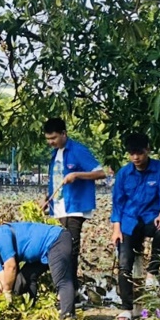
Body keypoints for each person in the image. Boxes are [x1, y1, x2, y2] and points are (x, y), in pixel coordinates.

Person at [110, 133, 160, 320]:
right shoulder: (124, 173)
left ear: (148, 150)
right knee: (124, 263)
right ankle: (126, 308)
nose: (136, 157)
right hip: (129, 222)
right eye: (132, 154)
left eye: (139, 153)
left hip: (150, 218)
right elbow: (117, 203)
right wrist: (116, 229)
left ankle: (152, 272)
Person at [42, 118, 106, 289]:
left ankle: (70, 291)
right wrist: (47, 198)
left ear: (64, 134)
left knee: (69, 249)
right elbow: (55, 180)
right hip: (58, 208)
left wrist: (77, 175)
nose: (51, 142)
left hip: (75, 208)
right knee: (60, 249)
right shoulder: (55, 154)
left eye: (54, 138)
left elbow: (101, 173)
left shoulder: (78, 150)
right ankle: (66, 288)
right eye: (48, 139)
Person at [0, 222, 76, 319]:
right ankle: (31, 310)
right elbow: (0, 275)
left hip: (56, 241)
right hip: (41, 253)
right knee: (25, 277)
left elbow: (11, 267)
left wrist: (7, 291)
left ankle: (67, 317)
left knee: (62, 280)